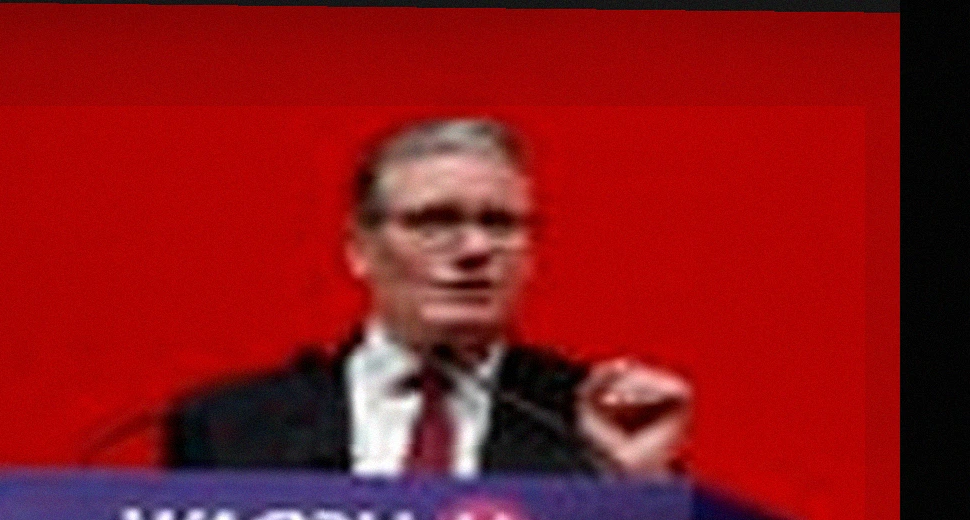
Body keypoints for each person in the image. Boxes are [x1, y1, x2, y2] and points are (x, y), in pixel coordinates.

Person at [163, 118, 692, 478]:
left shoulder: (589, 416)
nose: (474, 249)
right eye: (433, 222)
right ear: (360, 250)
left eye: (500, 224)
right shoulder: (231, 424)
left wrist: (643, 490)